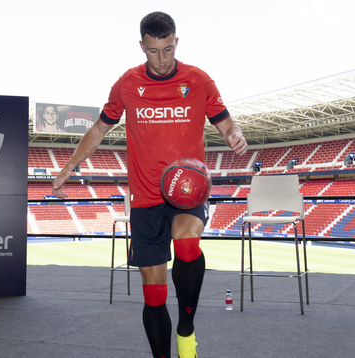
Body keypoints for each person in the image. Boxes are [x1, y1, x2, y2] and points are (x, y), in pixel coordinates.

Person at [52, 11, 247, 358]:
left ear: (176, 42)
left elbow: (226, 122)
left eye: (168, 50)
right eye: (154, 51)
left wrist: (234, 135)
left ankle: (186, 331)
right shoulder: (127, 84)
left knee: (187, 244)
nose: (162, 59)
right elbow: (99, 129)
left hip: (187, 190)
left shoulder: (198, 80)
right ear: (142, 45)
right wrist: (70, 165)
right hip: (144, 197)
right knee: (153, 295)